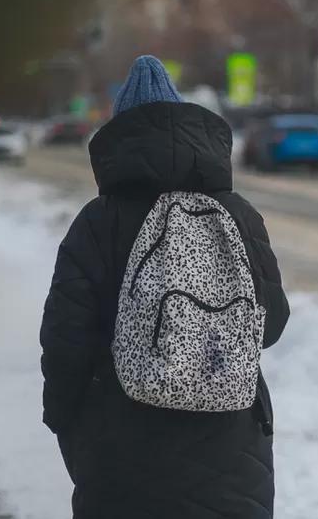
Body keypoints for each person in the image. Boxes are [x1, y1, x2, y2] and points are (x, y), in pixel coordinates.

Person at [40, 55, 290, 519]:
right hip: (231, 444)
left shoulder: (98, 223)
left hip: (120, 441)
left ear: (119, 138)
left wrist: (63, 418)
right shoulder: (239, 215)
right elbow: (271, 323)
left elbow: (65, 338)